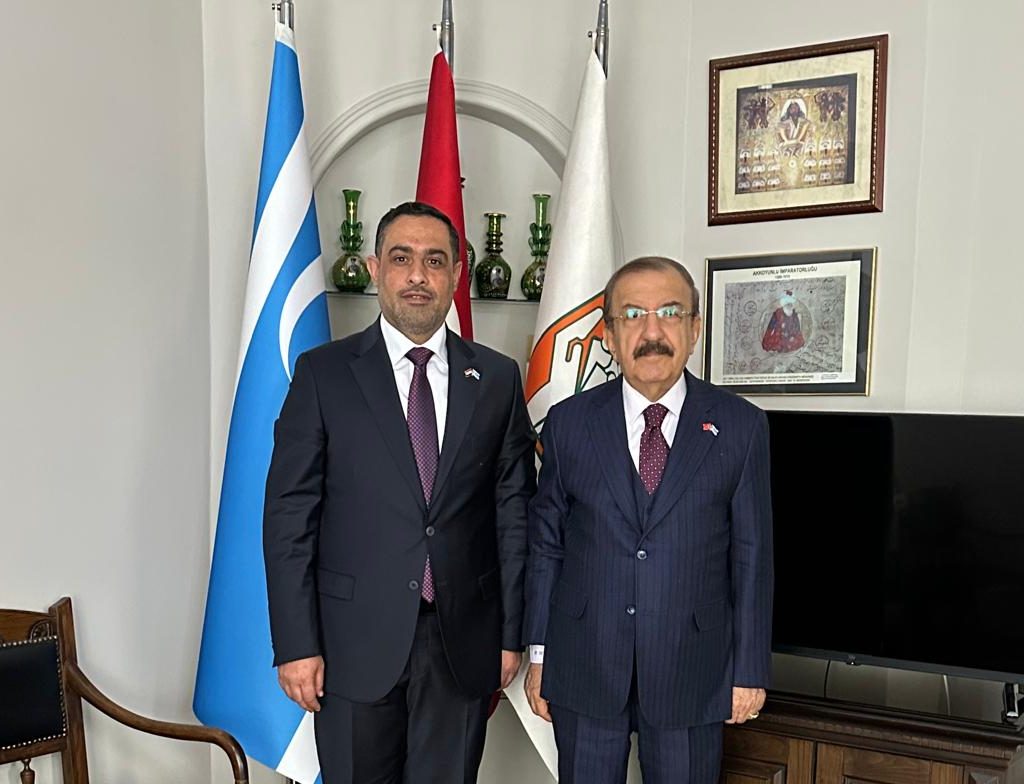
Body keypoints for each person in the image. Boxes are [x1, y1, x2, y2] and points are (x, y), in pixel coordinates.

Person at [264, 201, 536, 784]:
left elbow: (514, 517)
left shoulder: (496, 378)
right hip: (349, 644)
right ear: (375, 268)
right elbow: (288, 518)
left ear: (456, 274)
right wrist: (295, 644)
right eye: (401, 258)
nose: (418, 275)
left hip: (462, 642)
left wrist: (511, 634)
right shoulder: (323, 374)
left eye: (434, 261)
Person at [523, 257, 773, 784]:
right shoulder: (569, 423)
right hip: (585, 664)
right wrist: (540, 653)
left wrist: (749, 669)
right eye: (633, 315)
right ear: (609, 335)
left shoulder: (741, 426)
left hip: (694, 670)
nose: (652, 332)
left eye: (670, 313)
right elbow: (547, 545)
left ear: (695, 329)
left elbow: (752, 557)